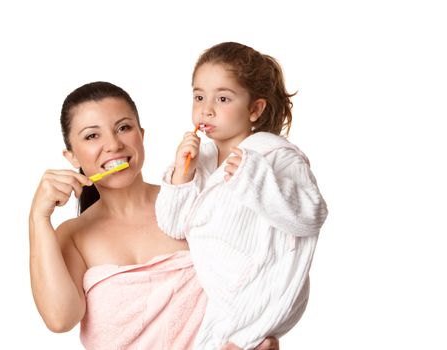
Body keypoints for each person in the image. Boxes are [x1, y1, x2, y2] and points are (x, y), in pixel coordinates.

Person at [29, 81, 280, 349]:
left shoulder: (191, 201)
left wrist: (257, 336)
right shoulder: (72, 236)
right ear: (72, 157)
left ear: (142, 135)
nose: (113, 144)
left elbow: (258, 275)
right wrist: (37, 218)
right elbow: (60, 319)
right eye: (92, 136)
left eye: (124, 128)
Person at [156, 42, 328, 349]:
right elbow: (172, 226)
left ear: (255, 109)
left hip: (264, 293)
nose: (206, 109)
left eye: (223, 98)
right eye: (199, 96)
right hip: (218, 303)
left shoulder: (275, 156)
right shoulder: (201, 160)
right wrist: (183, 175)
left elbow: (311, 216)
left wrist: (255, 178)